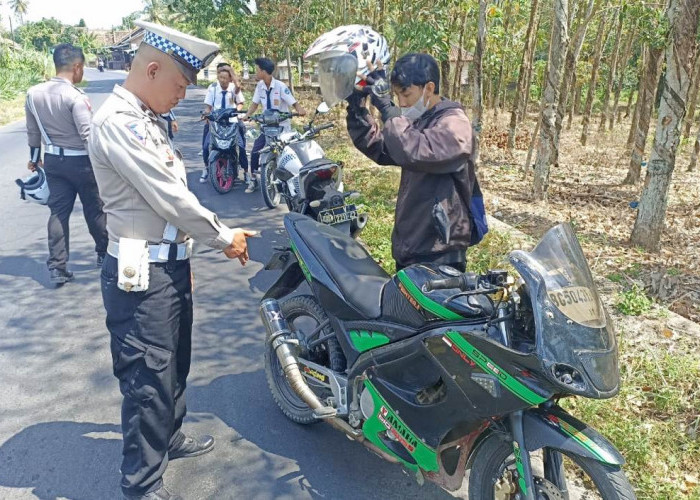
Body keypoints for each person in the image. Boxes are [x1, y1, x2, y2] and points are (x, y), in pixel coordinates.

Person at [87, 20, 256, 500]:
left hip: (168, 264)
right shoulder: (118, 123)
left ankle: (170, 436)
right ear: (154, 69)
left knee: (174, 364)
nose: (183, 95)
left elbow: (172, 203)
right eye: (180, 85)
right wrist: (224, 237)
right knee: (147, 378)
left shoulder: (145, 118)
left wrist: (185, 256)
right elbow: (169, 197)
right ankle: (141, 485)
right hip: (141, 276)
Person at [347, 53, 481, 272]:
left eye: (406, 94)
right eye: (397, 95)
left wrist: (388, 111)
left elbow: (414, 149)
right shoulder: (420, 121)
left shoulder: (455, 125)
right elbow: (381, 148)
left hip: (438, 251)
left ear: (429, 88)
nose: (401, 102)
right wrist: (357, 108)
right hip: (413, 245)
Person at [25, 42, 108, 285]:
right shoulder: (75, 96)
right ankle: (103, 253)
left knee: (58, 213)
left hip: (53, 162)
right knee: (95, 210)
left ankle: (57, 267)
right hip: (82, 163)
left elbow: (33, 132)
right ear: (77, 66)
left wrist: (33, 159)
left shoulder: (33, 93)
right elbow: (87, 136)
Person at [242, 57, 306, 193]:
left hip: (281, 128)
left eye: (257, 70)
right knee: (255, 151)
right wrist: (247, 115)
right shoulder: (259, 87)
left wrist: (299, 109)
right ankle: (253, 179)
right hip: (267, 127)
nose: (256, 72)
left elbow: (293, 102)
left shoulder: (280, 86)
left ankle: (293, 183)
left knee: (287, 155)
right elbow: (254, 103)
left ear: (263, 71)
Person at [199, 64, 248, 183]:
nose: (222, 80)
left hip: (231, 122)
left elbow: (240, 100)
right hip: (216, 122)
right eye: (220, 77)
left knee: (241, 146)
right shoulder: (213, 87)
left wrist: (237, 110)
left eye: (225, 78)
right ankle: (206, 167)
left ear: (230, 78)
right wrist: (206, 114)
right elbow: (208, 106)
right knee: (206, 146)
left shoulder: (233, 88)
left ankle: (246, 172)